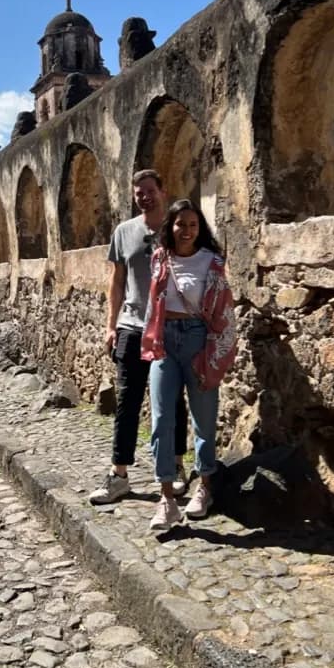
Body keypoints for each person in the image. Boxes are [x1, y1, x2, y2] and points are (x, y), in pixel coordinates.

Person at [89, 170, 190, 505]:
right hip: (132, 327)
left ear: (163, 191)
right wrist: (111, 325)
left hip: (169, 326)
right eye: (139, 193)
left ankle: (176, 466)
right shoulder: (124, 231)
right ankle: (119, 475)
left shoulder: (178, 227)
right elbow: (117, 281)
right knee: (127, 402)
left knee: (172, 401)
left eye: (150, 191)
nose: (144, 197)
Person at [141, 199, 236, 532]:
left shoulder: (212, 262)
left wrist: (216, 352)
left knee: (203, 418)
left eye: (193, 224)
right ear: (171, 226)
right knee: (162, 419)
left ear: (200, 228)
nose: (187, 230)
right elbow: (153, 303)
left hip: (198, 340)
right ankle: (166, 498)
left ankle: (205, 486)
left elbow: (223, 310)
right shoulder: (160, 258)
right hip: (164, 341)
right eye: (181, 224)